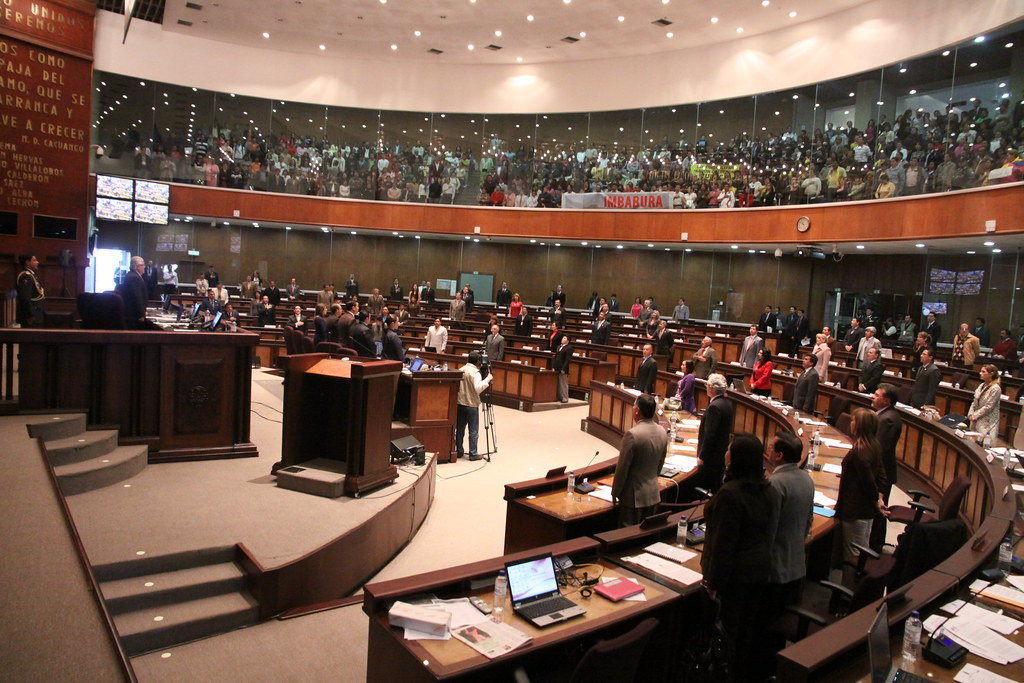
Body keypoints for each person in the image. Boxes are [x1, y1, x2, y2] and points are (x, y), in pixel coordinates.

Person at [700, 432, 778, 683]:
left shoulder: (730, 495)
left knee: (727, 635)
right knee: (745, 631)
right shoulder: (768, 490)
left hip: (734, 578)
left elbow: (724, 545)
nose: (725, 454)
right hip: (758, 571)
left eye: (729, 451)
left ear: (737, 459)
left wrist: (713, 584)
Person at [761, 431, 814, 658]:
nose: (768, 451)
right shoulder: (806, 479)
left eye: (772, 448)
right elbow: (808, 522)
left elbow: (768, 530)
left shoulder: (775, 484)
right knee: (779, 630)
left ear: (779, 455)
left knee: (766, 629)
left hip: (775, 569)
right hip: (796, 564)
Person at [835, 408, 887, 583]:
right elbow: (881, 475)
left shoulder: (859, 452)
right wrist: (878, 497)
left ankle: (847, 595)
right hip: (865, 509)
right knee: (861, 548)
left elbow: (868, 482)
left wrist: (875, 499)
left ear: (860, 426)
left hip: (855, 508)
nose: (851, 423)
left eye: (853, 421)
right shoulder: (874, 445)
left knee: (853, 554)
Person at [611, 394, 669, 527]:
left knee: (628, 537)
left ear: (637, 410)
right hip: (653, 494)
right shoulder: (662, 431)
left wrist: (615, 492)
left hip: (633, 498)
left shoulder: (632, 434)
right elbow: (660, 463)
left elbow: (622, 468)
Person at [678, 373, 733, 501]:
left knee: (700, 486)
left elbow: (710, 435)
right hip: (720, 455)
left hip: (711, 459)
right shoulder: (726, 403)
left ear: (712, 388)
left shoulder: (714, 406)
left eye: (707, 385)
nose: (706, 387)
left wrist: (702, 456)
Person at [870, 383, 903, 552]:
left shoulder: (888, 419)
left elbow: (879, 449)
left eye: (876, 395)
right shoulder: (885, 414)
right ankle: (875, 544)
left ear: (887, 400)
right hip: (881, 471)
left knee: (878, 509)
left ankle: (874, 547)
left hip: (881, 473)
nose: (872, 396)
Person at [456, 351, 493, 460]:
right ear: (478, 362)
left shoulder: (461, 369)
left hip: (460, 403)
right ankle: (473, 453)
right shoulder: (475, 373)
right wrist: (488, 379)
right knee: (473, 430)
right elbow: (477, 389)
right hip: (471, 404)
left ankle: (459, 451)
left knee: (460, 429)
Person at [968, 364, 1001, 444]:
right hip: (975, 419)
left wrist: (975, 415)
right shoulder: (981, 385)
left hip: (987, 422)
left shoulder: (996, 388)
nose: (980, 373)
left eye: (983, 372)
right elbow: (974, 401)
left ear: (991, 374)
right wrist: (970, 414)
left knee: (983, 445)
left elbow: (989, 406)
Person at [15, 253, 45, 327]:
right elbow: (25, 298)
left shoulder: (31, 275)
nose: (37, 262)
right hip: (30, 315)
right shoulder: (26, 276)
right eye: (34, 260)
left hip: (35, 312)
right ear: (27, 262)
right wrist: (30, 315)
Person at [119, 256, 149, 329]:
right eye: (143, 265)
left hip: (132, 314)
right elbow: (137, 297)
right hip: (134, 316)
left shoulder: (132, 275)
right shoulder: (134, 278)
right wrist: (141, 313)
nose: (144, 267)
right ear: (138, 267)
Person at [552, 333, 571, 403]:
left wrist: (564, 369)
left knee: (563, 383)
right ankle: (560, 397)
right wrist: (553, 366)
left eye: (564, 338)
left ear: (568, 341)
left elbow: (567, 360)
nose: (562, 339)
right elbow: (556, 357)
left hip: (563, 368)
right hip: (557, 366)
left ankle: (565, 398)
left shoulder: (569, 348)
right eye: (563, 338)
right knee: (558, 383)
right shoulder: (559, 346)